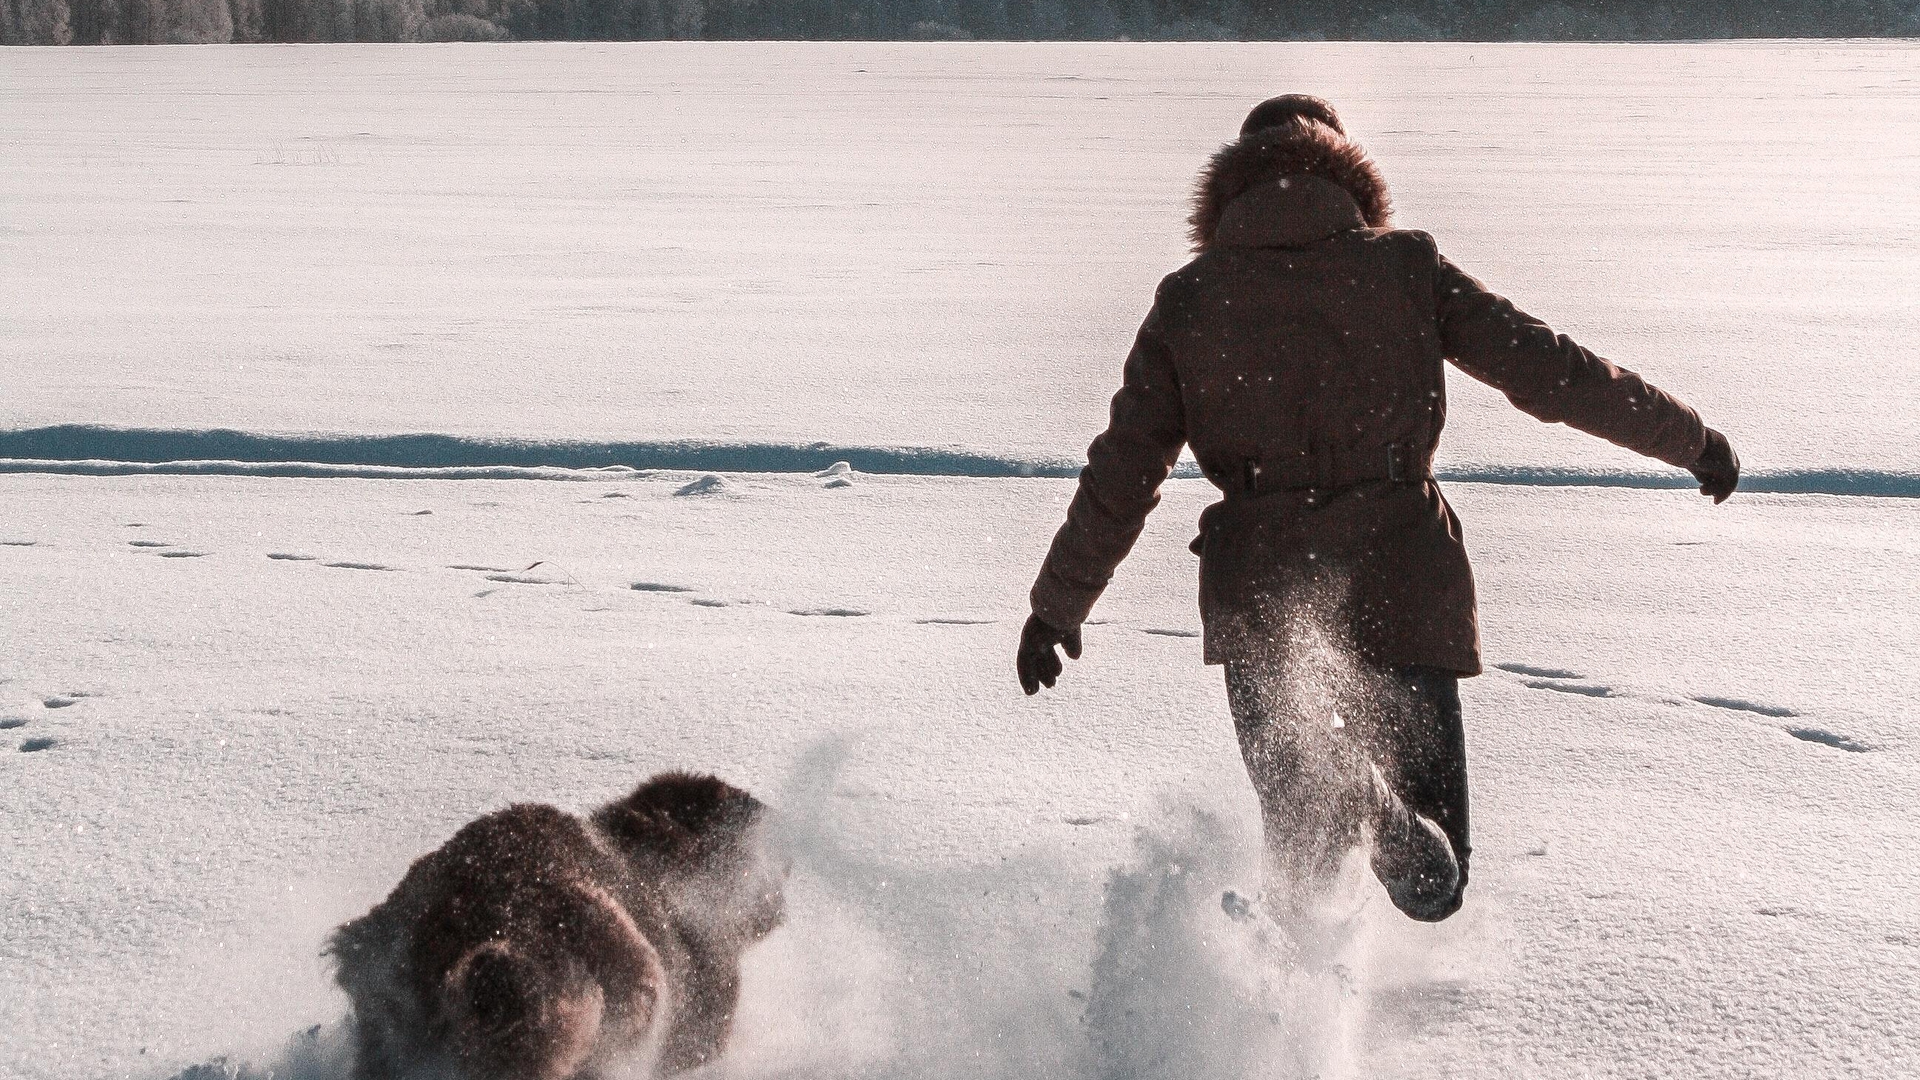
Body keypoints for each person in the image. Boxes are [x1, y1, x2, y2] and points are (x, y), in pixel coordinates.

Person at [1015, 95, 1739, 923]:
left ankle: (1278, 991)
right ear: (1348, 174)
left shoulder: (1190, 298)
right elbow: (1551, 371)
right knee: (1434, 879)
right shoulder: (1404, 268)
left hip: (1263, 591)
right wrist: (1692, 439)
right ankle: (1383, 811)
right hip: (1401, 574)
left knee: (1301, 874)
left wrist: (1056, 607)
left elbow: (1123, 472)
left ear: (1228, 189)